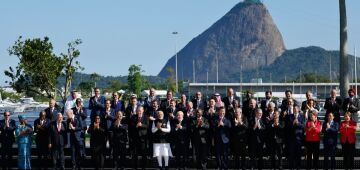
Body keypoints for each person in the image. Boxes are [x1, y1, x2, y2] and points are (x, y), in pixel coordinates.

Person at [285, 106, 305, 170]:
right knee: (291, 154)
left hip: (299, 138)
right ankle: (291, 166)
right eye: (294, 109)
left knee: (298, 154)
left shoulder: (302, 116)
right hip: (291, 138)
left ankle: (298, 166)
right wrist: (292, 123)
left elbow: (303, 126)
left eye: (296, 109)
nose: (295, 110)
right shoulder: (289, 116)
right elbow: (287, 127)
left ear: (299, 109)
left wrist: (298, 123)